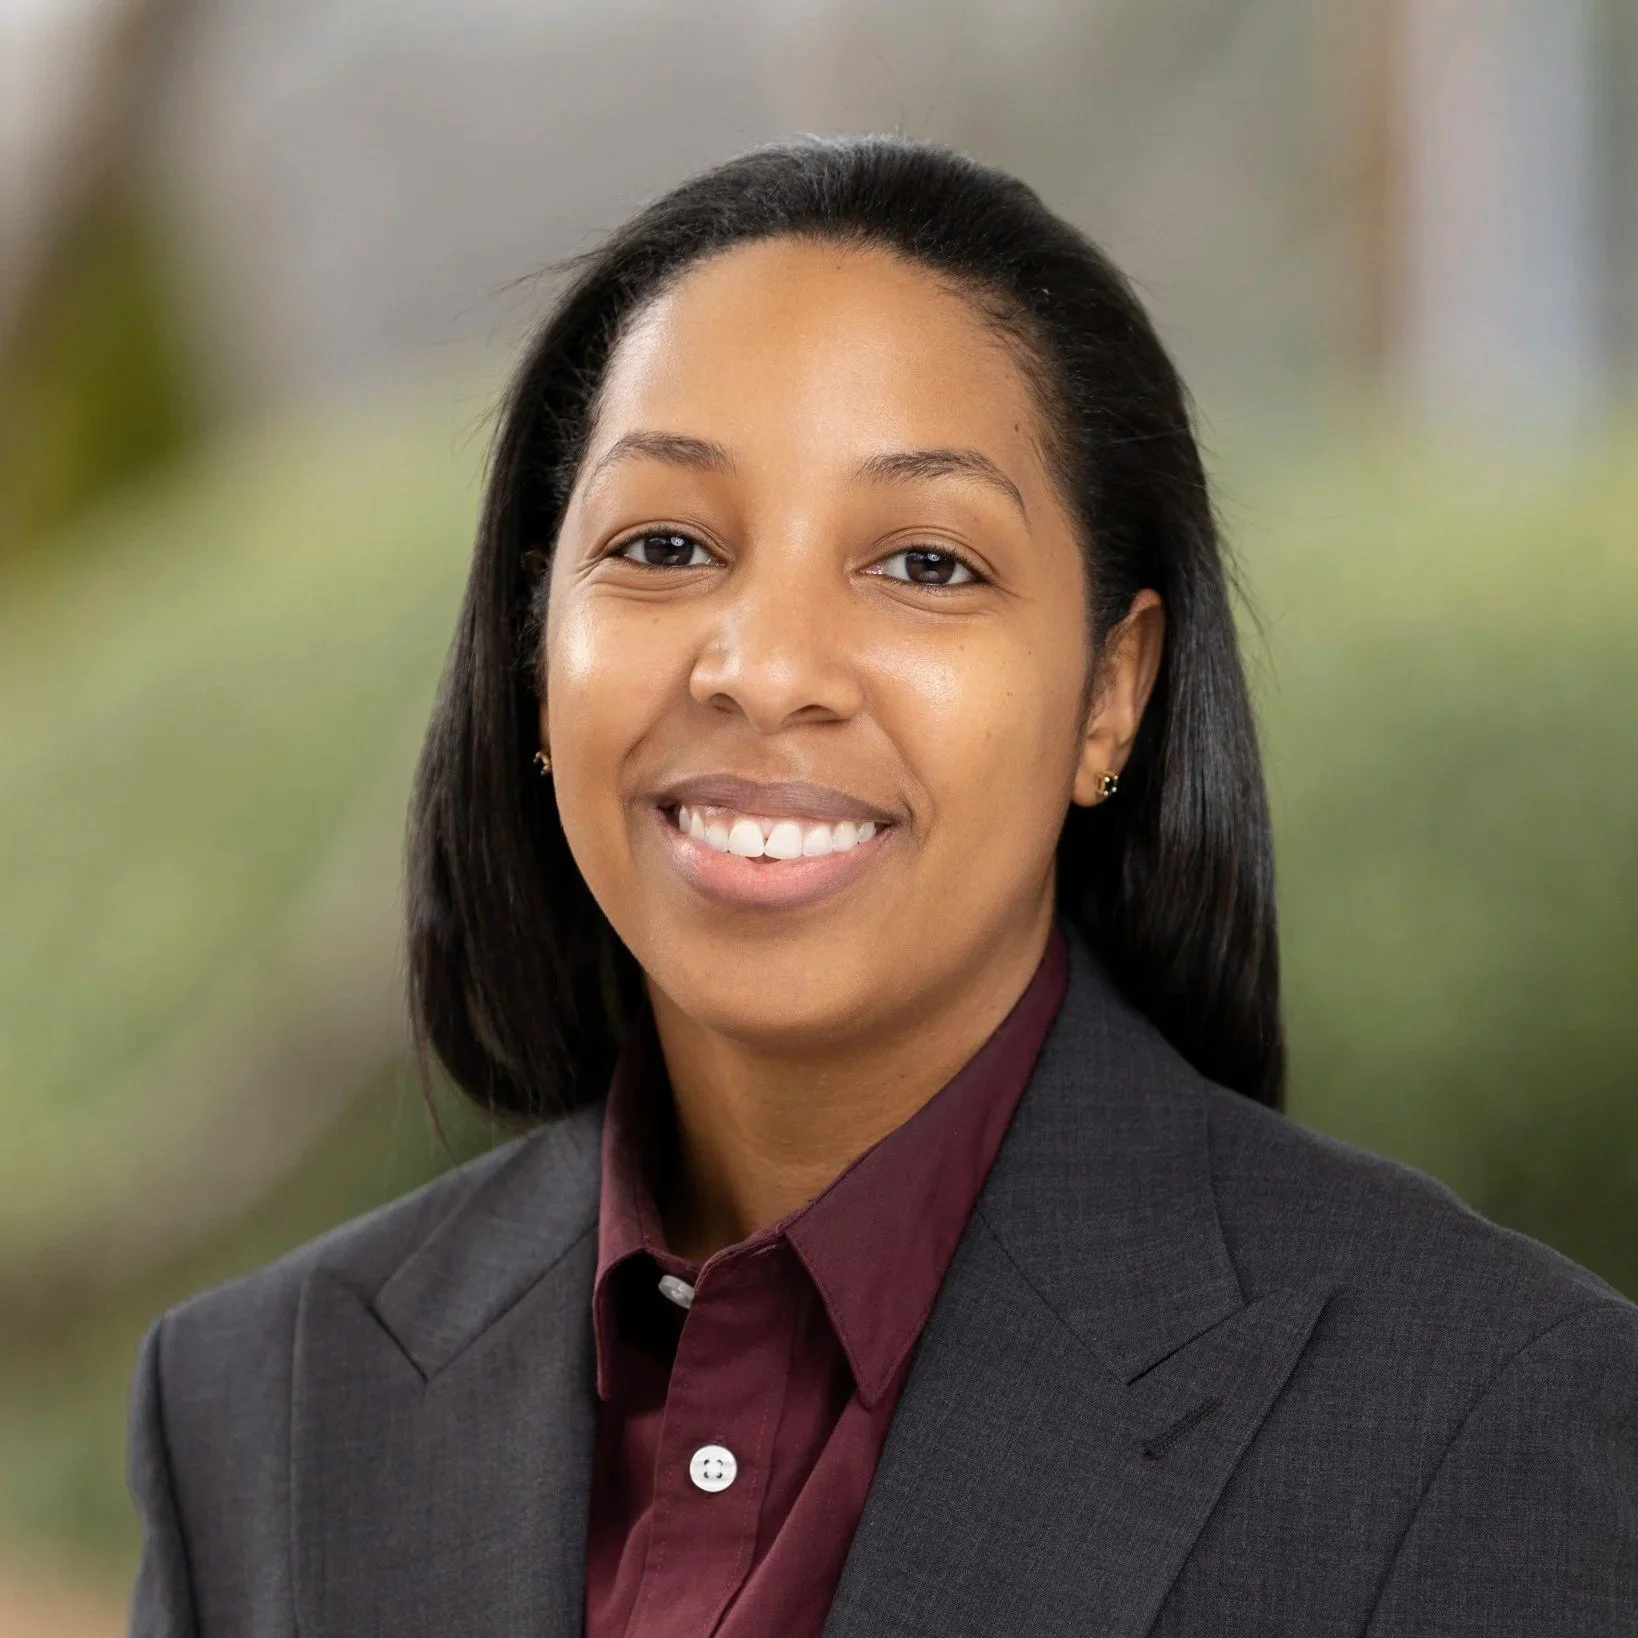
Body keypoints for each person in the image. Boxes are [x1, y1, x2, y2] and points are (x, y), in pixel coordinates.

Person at [127, 138, 1637, 1638]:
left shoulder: (1482, 1421)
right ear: (536, 643)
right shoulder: (260, 1412)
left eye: (924, 563)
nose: (765, 668)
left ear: (1111, 693)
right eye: (662, 544)